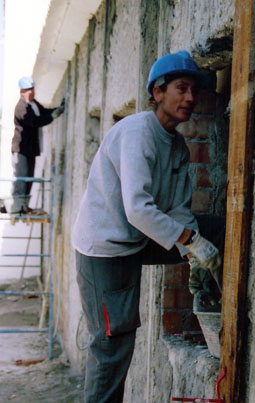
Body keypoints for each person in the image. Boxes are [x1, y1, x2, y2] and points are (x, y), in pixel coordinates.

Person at [72, 50, 225, 403]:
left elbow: (177, 210)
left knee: (215, 230)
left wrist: (195, 252)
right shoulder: (138, 132)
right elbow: (138, 210)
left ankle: (215, 309)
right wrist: (190, 240)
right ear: (158, 92)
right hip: (105, 250)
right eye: (181, 88)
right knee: (112, 344)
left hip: (138, 240)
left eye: (194, 91)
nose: (190, 98)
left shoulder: (177, 146)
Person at [10, 76, 65, 213]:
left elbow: (43, 112)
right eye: (28, 90)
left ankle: (25, 206)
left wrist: (57, 109)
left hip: (31, 149)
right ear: (22, 92)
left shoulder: (33, 104)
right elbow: (35, 121)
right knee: (21, 178)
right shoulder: (21, 107)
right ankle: (18, 208)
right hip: (21, 149)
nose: (31, 92)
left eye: (32, 89)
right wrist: (52, 117)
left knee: (29, 178)